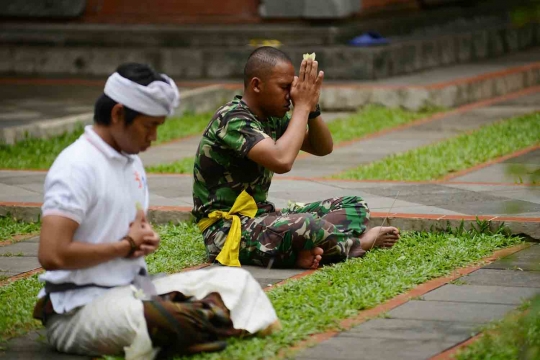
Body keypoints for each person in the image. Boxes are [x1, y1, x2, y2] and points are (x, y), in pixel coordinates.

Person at [34, 63, 279, 360]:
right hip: (78, 310)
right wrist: (126, 246)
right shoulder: (77, 165)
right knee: (155, 318)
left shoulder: (131, 162)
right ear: (118, 114)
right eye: (149, 126)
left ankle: (196, 324)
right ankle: (199, 322)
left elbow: (133, 254)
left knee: (236, 282)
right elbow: (52, 254)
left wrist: (143, 251)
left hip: (133, 291)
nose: (153, 136)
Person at [192, 47, 400, 270]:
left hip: (263, 218)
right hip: (225, 231)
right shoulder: (232, 118)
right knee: (306, 224)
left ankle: (297, 251)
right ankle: (356, 244)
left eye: (291, 88)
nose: (290, 95)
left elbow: (323, 147)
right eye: (284, 87)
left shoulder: (271, 118)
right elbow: (282, 161)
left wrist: (311, 108)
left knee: (354, 206)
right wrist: (301, 106)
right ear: (256, 85)